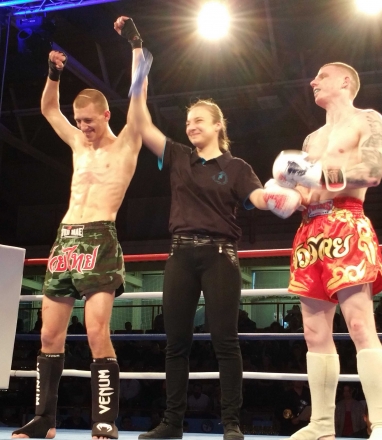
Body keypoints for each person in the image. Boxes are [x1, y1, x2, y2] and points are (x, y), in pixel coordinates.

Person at [127, 20, 301, 440]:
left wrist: (282, 195)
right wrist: (137, 53)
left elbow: (258, 198)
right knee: (176, 343)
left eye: (199, 121)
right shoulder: (178, 156)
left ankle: (232, 424)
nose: (191, 126)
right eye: (188, 121)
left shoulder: (237, 167)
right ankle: (172, 423)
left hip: (221, 256)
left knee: (225, 341)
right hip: (180, 255)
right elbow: (141, 123)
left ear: (218, 126)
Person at [12, 16, 148, 440]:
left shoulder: (127, 143)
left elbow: (138, 92)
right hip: (65, 241)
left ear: (106, 114)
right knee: (49, 334)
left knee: (95, 331)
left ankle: (105, 420)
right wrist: (53, 73)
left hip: (100, 239)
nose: (84, 127)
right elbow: (48, 110)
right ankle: (44, 420)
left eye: (90, 120)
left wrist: (135, 43)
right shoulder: (76, 142)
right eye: (80, 120)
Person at [274, 62, 382, 440]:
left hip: (347, 222)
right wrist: (283, 196)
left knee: (359, 325)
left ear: (345, 81)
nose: (313, 81)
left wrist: (317, 175)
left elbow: (372, 170)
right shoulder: (311, 139)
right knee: (313, 333)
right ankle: (322, 424)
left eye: (322, 76)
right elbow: (307, 192)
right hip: (310, 230)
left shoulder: (367, 119)